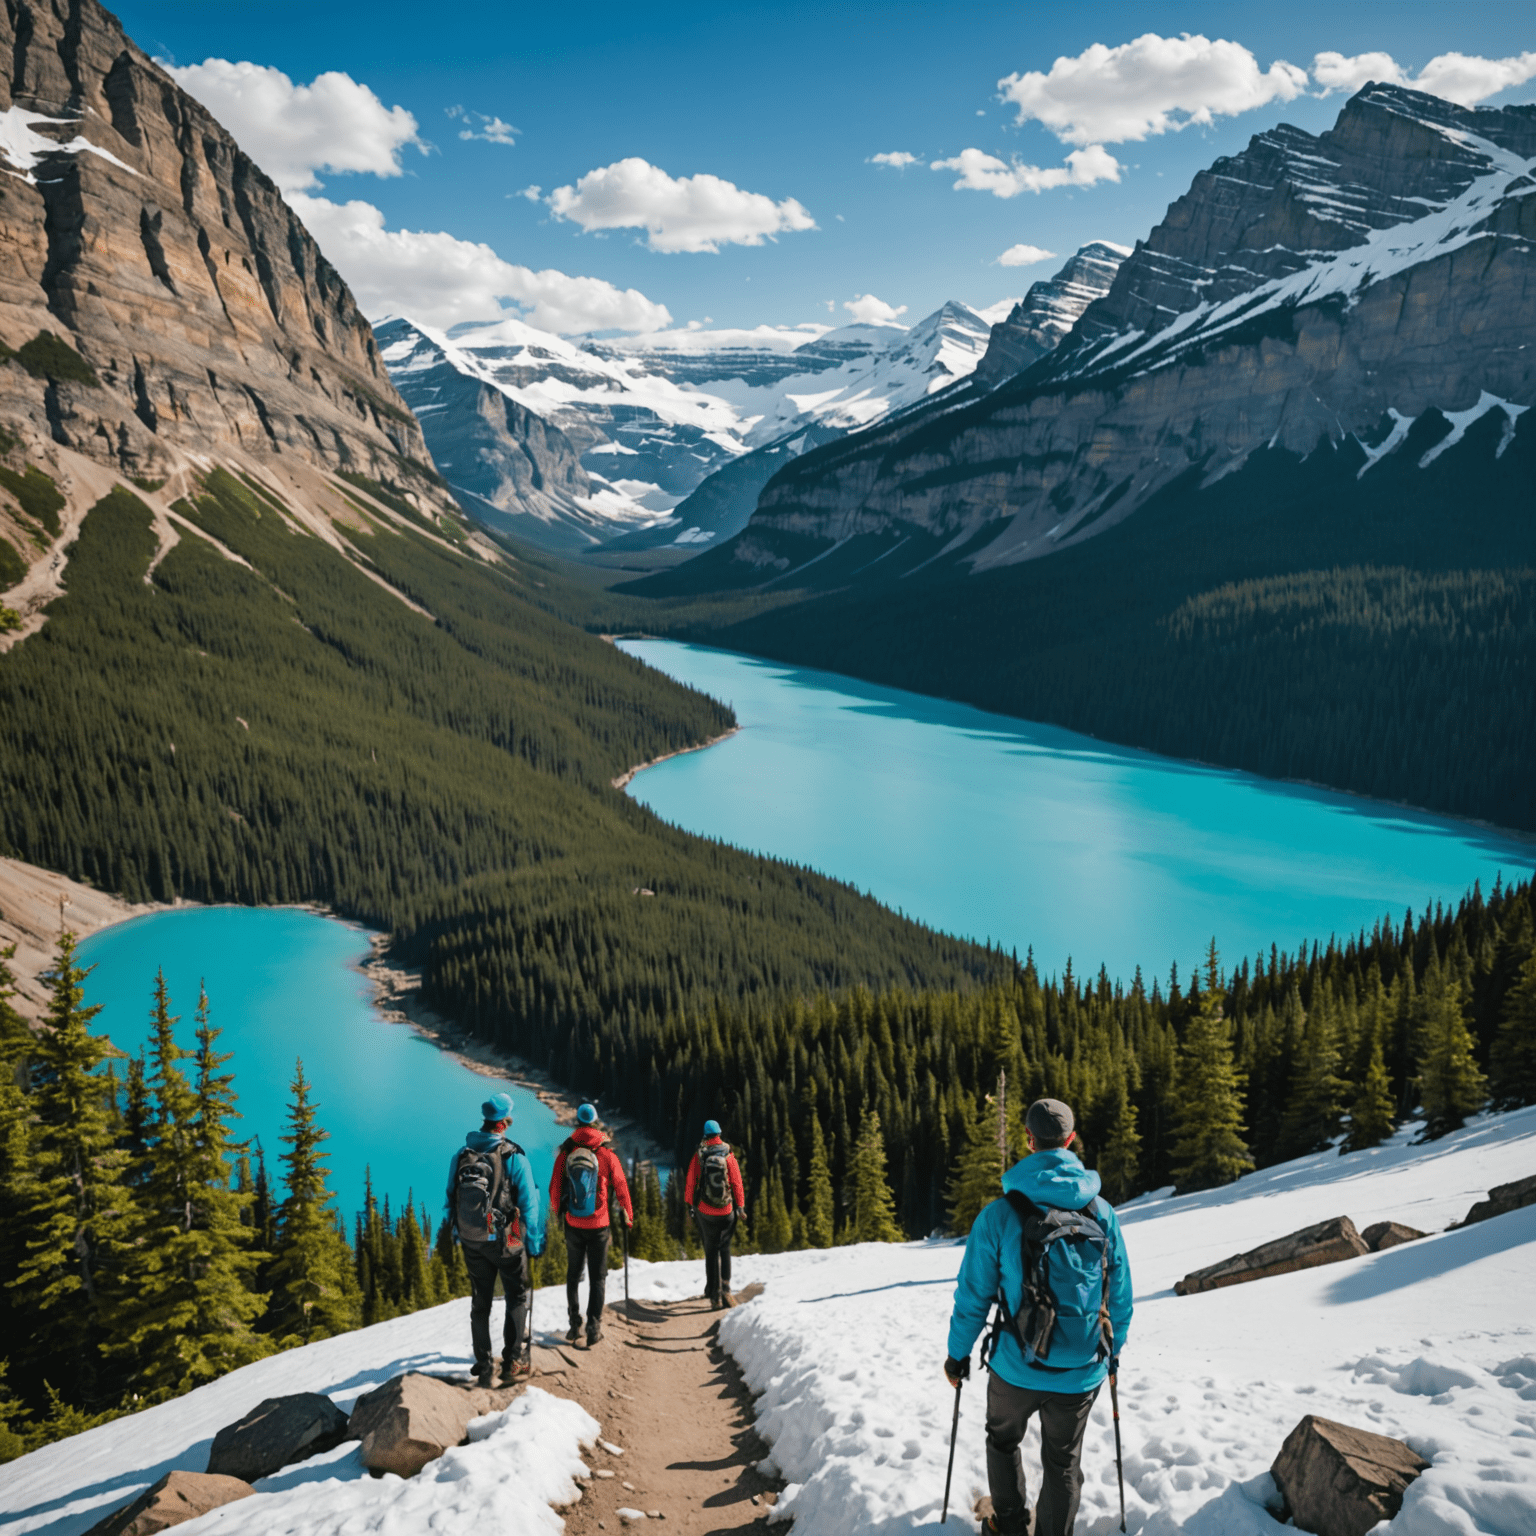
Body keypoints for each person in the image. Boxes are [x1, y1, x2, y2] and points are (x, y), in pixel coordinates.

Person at [944, 1098, 1133, 1536]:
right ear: (1071, 1140)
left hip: (1015, 1366)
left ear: (1029, 1141)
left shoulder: (999, 1215)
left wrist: (957, 1357)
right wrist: (1111, 1352)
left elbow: (973, 1297)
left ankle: (1008, 1527)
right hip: (1081, 1368)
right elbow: (1118, 1295)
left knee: (1003, 1440)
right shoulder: (1101, 1213)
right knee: (1063, 1463)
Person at [445, 1091, 545, 1388]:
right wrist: (535, 1241)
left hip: (472, 1240)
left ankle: (484, 1364)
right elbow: (529, 1204)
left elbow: (451, 1197)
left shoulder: (462, 1155)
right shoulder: (512, 1156)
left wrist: (457, 1233)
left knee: (481, 1301)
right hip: (506, 1241)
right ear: (503, 1123)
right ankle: (513, 1362)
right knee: (516, 1296)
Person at [549, 1102, 633, 1346]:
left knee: (573, 1275)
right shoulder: (606, 1154)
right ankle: (594, 1327)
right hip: (599, 1225)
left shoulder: (566, 1153)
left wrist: (558, 1213)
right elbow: (621, 1186)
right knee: (598, 1277)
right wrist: (628, 1213)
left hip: (573, 1223)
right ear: (595, 1122)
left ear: (577, 1122)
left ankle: (575, 1326)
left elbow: (555, 1187)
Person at [684, 1118, 746, 1309]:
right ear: (719, 1134)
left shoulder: (700, 1155)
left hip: (705, 1210)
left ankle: (714, 1294)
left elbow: (691, 1183)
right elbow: (736, 1183)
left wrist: (690, 1206)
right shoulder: (728, 1155)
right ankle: (726, 1289)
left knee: (711, 1250)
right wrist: (740, 1207)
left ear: (705, 1135)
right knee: (724, 1248)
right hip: (726, 1210)